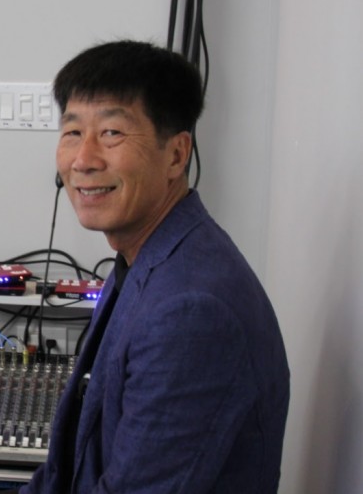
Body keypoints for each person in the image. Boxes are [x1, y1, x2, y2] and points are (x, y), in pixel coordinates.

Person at [20, 41, 290, 493]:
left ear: (177, 155)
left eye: (112, 133)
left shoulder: (191, 312)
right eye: (73, 132)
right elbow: (65, 470)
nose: (84, 160)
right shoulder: (147, 255)